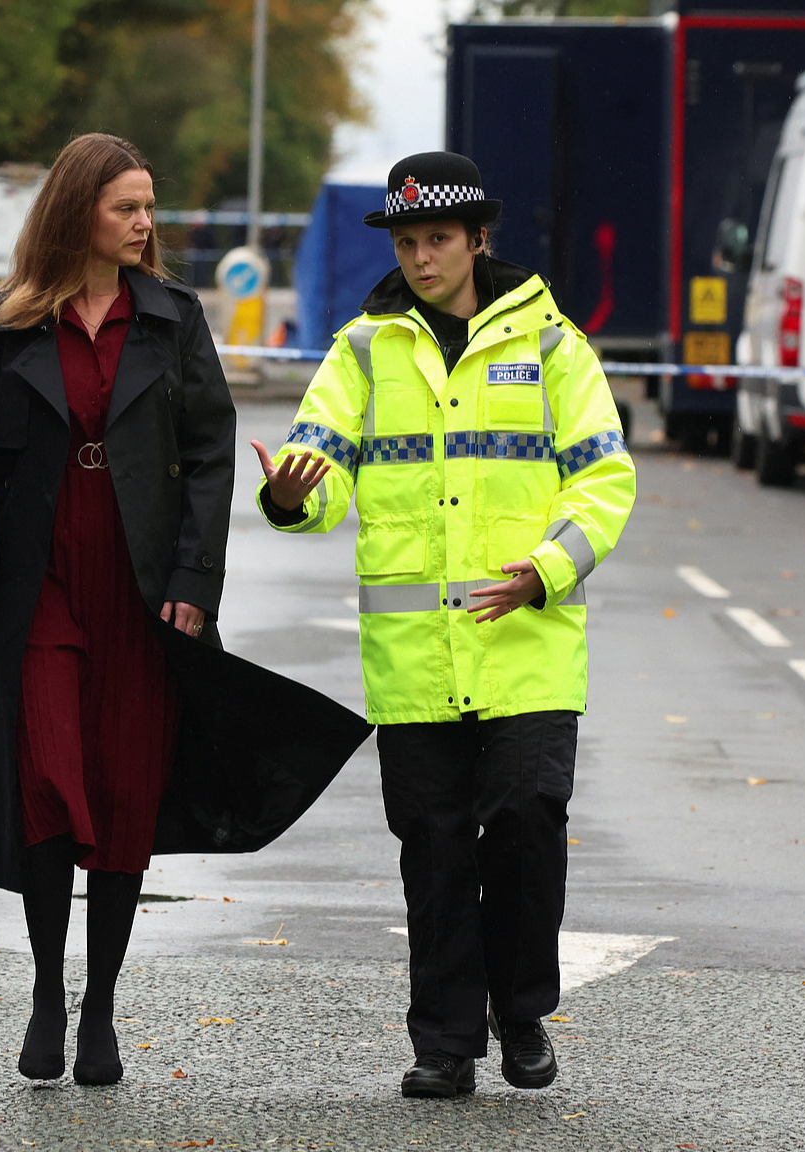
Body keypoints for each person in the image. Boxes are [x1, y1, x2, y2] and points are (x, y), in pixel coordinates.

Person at [254, 151, 636, 1099]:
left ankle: (521, 1014)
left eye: (438, 239)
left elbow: (605, 479)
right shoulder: (361, 349)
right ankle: (445, 1043)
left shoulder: (553, 347)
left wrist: (546, 570)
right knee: (431, 848)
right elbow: (321, 468)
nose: (422, 258)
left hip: (527, 649)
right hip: (414, 657)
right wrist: (292, 495)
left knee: (524, 832)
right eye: (407, 241)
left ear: (476, 241)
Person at [0, 132, 258, 1089]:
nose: (144, 223)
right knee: (51, 782)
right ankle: (47, 992)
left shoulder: (173, 317)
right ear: (75, 213)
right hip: (40, 579)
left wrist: (193, 582)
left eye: (147, 206)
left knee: (126, 793)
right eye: (125, 207)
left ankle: (100, 1010)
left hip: (142, 586)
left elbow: (212, 453)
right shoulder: (5, 327)